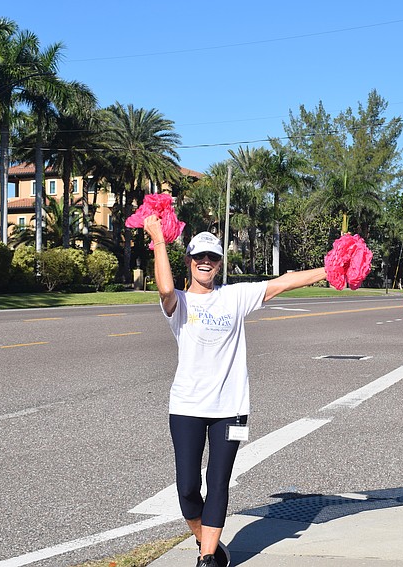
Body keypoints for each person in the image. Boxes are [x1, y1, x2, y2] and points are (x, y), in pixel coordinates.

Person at [143, 215, 327, 567]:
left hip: (231, 406)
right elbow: (165, 289)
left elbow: (282, 284)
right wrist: (159, 240)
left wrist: (329, 270)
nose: (205, 263)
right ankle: (206, 541)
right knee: (186, 489)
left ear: (219, 263)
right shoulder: (179, 303)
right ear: (189, 261)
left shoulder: (234, 297)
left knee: (218, 481)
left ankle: (208, 558)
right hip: (187, 406)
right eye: (199, 257)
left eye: (212, 258)